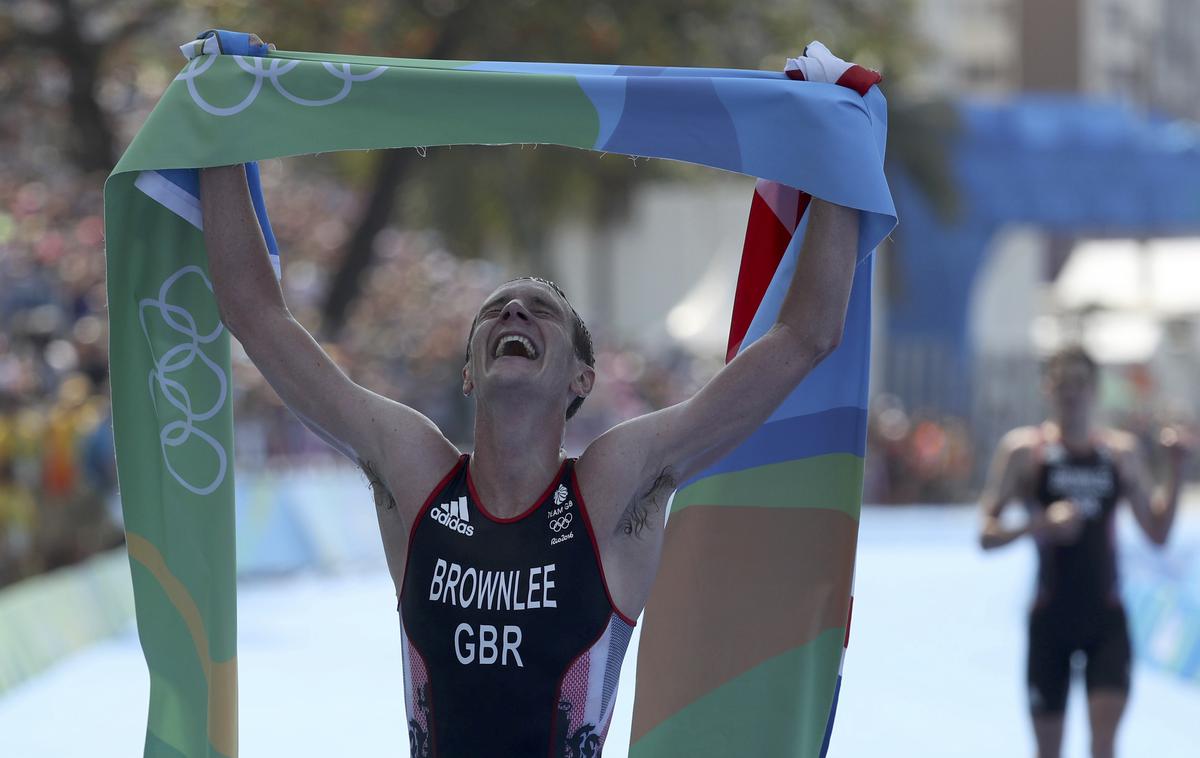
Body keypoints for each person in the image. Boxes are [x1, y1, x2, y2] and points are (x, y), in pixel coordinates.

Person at [198, 42, 868, 758]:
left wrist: (836, 143)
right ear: (468, 373)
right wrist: (218, 117)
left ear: (582, 378)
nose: (513, 314)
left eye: (538, 309)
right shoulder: (416, 470)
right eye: (496, 309)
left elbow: (805, 337)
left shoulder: (615, 486)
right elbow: (255, 314)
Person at [978, 346, 1190, 758]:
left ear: (1095, 390)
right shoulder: (1025, 452)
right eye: (1063, 384)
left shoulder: (1120, 453)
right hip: (1050, 620)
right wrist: (1039, 525)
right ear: (1048, 389)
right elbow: (986, 535)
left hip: (1105, 620)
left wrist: (1177, 470)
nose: (1072, 393)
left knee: (1104, 748)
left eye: (1080, 384)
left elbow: (1158, 534)